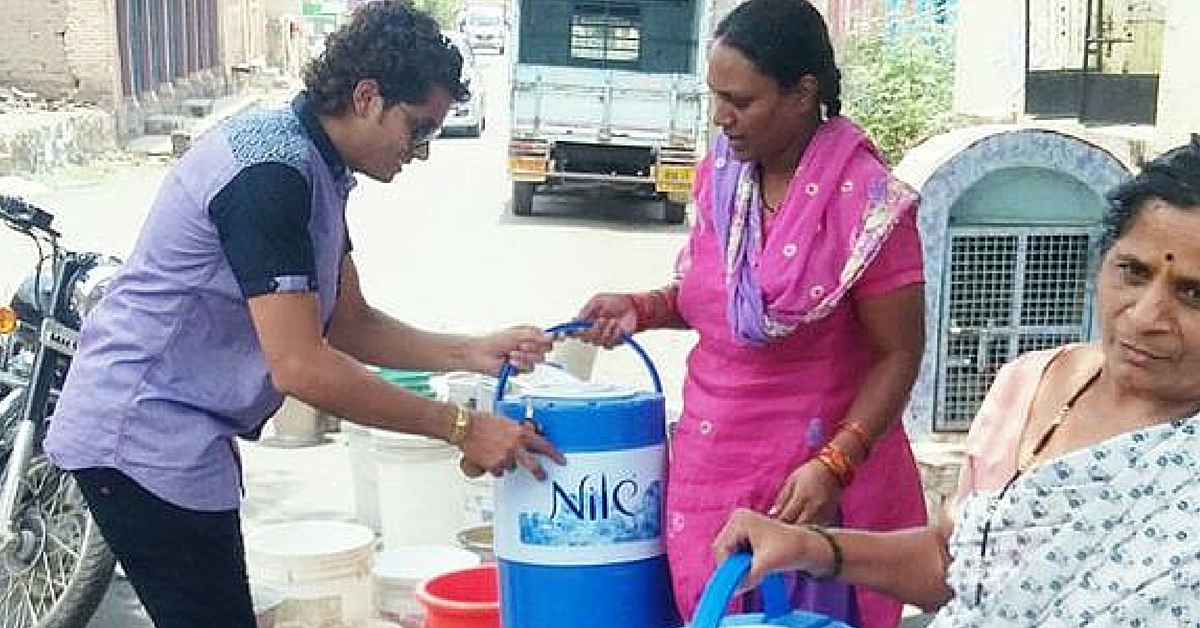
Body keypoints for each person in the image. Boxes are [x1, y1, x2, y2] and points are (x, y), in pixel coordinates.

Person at [43, 3, 563, 627]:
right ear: (367, 96)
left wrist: (470, 350)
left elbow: (348, 323)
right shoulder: (272, 174)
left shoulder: (319, 167)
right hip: (138, 431)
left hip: (180, 436)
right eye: (419, 129)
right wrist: (459, 427)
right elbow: (301, 367)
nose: (421, 154)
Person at [712, 136, 1200, 627]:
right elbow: (954, 562)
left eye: (1192, 294)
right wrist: (806, 546)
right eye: (1132, 272)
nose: (1143, 317)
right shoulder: (1030, 384)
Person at [573, 0, 927, 625]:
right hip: (711, 465)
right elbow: (712, 299)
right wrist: (642, 308)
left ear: (801, 94)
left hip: (807, 487)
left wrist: (836, 463)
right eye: (715, 96)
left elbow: (901, 353)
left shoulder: (867, 203)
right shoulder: (724, 177)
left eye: (741, 100)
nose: (721, 117)